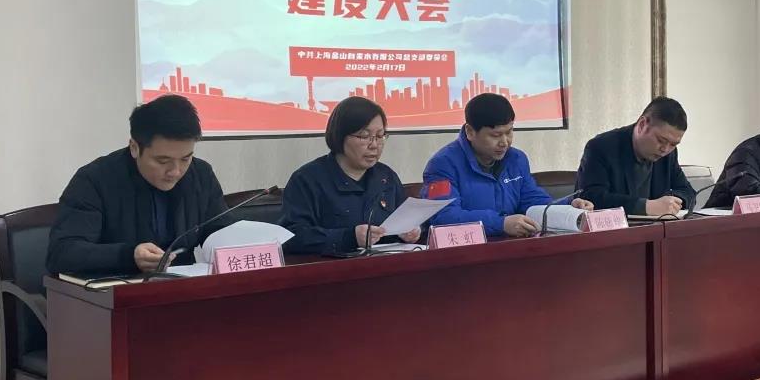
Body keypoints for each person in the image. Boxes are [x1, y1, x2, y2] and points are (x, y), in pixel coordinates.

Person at [46, 94, 226, 276]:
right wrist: (128, 255)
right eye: (163, 161)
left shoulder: (201, 175)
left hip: (184, 286)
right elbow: (62, 254)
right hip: (118, 287)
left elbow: (222, 235)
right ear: (134, 147)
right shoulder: (94, 180)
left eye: (185, 159)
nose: (175, 171)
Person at [422, 93, 593, 238]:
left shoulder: (516, 159)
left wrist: (569, 206)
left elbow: (532, 202)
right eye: (495, 135)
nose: (505, 142)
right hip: (466, 254)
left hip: (512, 248)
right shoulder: (442, 165)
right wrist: (500, 223)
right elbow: (444, 217)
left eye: (509, 132)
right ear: (470, 132)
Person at [281, 96, 420, 254]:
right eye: (364, 136)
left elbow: (405, 220)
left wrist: (411, 232)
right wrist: (349, 237)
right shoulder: (307, 180)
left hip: (387, 264)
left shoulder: (386, 177)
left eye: (380, 136)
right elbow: (292, 237)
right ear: (340, 136)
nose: (374, 145)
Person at [575, 97, 696, 217]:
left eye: (673, 144)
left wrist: (671, 202)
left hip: (656, 227)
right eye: (661, 140)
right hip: (614, 228)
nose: (665, 149)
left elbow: (688, 192)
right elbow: (591, 198)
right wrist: (645, 206)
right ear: (642, 124)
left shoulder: (669, 153)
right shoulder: (601, 147)